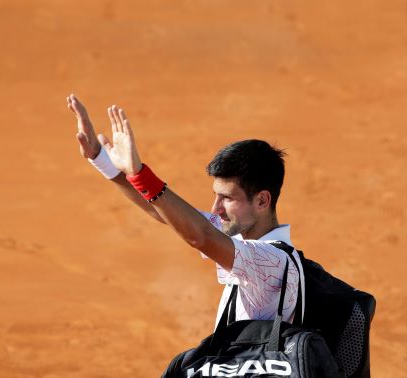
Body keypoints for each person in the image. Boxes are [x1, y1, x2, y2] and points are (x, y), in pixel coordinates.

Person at [66, 94, 304, 326]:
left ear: (262, 201)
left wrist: (140, 174)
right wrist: (100, 158)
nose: (216, 208)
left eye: (228, 198)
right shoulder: (245, 240)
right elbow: (164, 213)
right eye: (216, 196)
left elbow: (198, 236)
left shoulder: (272, 262)